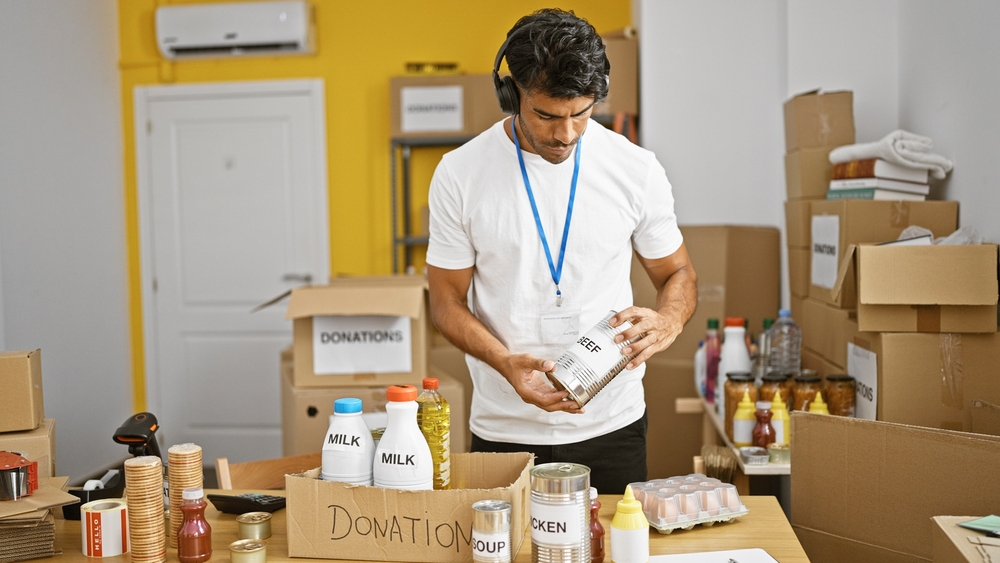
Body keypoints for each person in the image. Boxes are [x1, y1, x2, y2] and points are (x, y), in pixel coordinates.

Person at [425, 8, 697, 493]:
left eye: (581, 114)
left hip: (612, 424)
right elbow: (445, 301)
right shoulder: (459, 174)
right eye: (547, 115)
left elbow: (677, 274)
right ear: (512, 94)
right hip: (503, 428)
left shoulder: (636, 169)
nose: (566, 134)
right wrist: (506, 364)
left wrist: (669, 320)